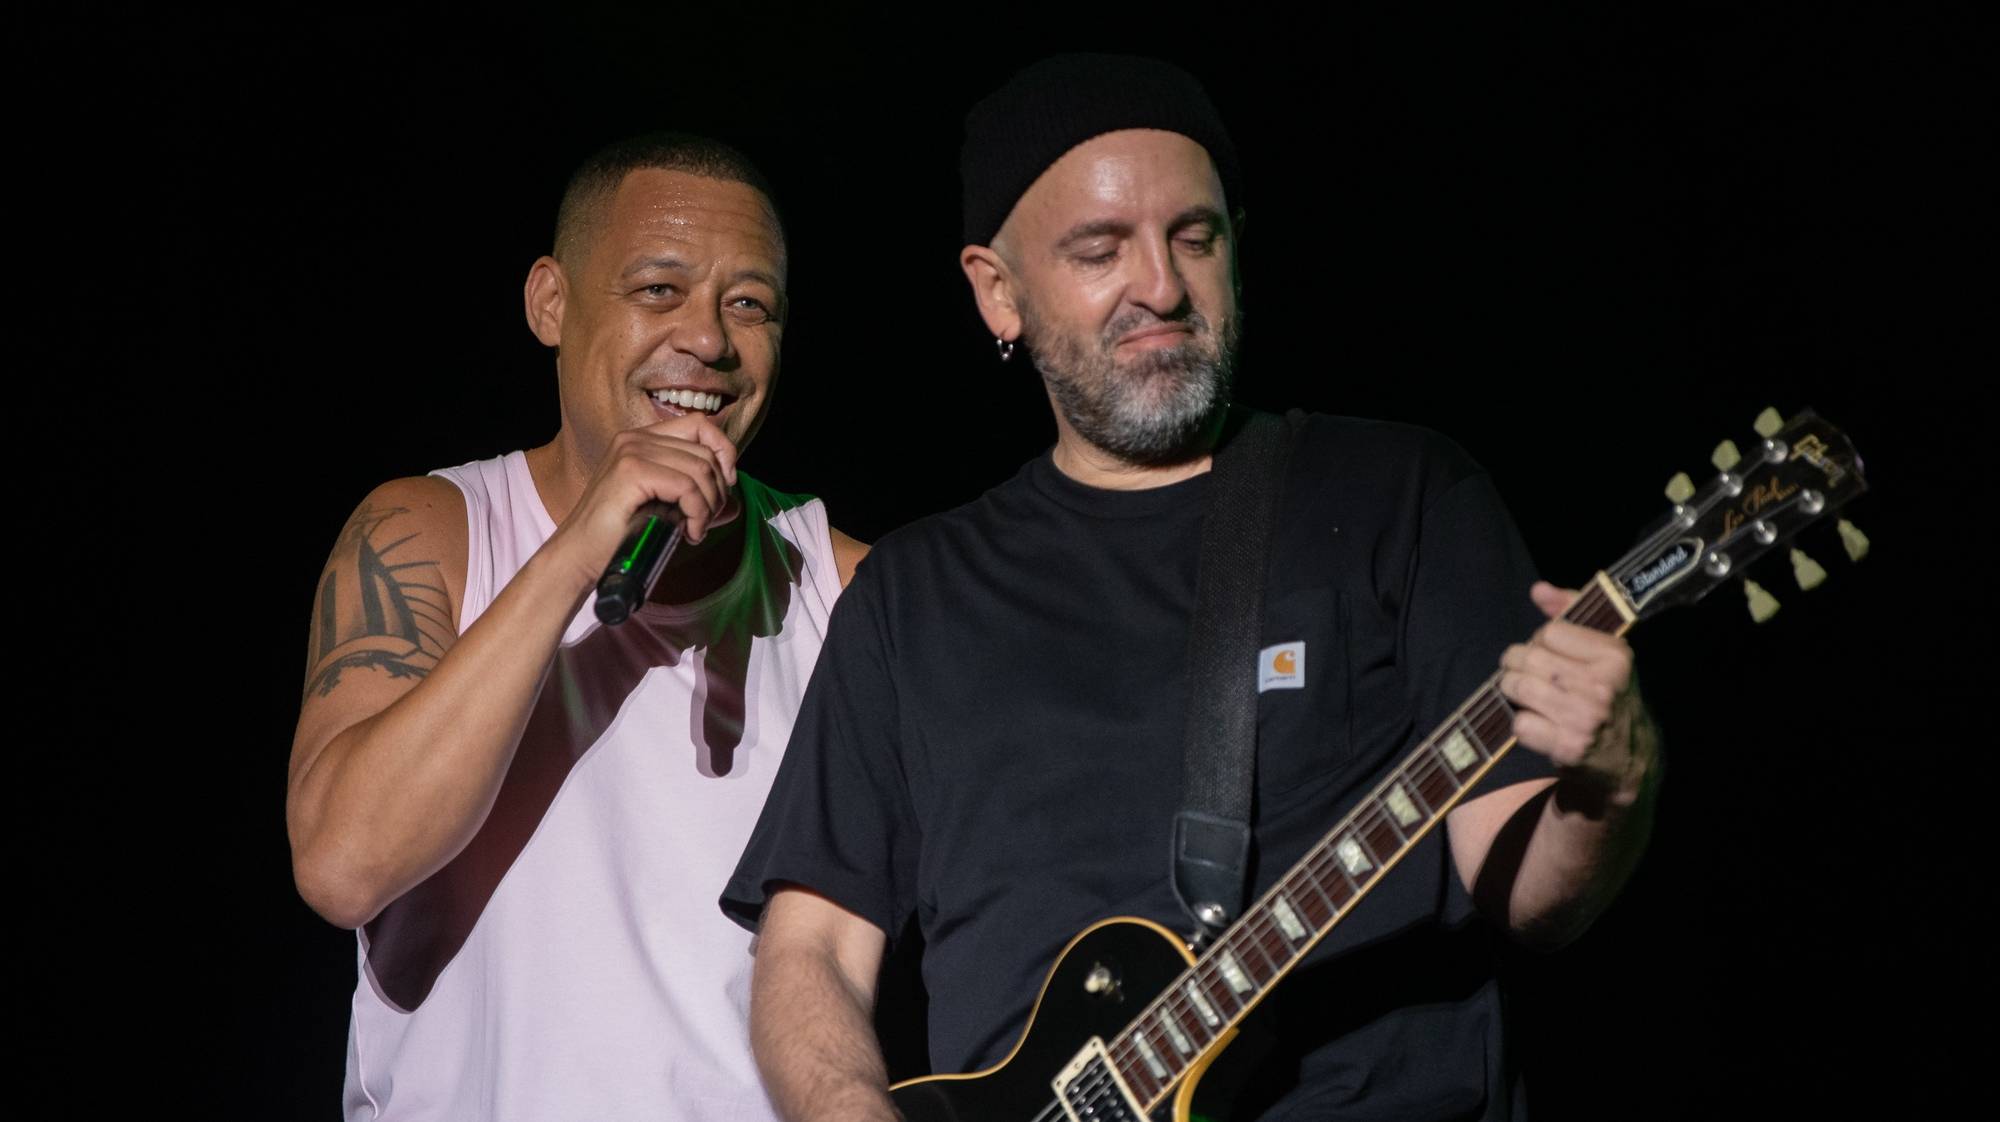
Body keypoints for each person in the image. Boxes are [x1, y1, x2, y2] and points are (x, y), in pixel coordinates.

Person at [724, 56, 1659, 1121]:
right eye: (1099, 249)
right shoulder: (910, 594)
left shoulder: (1399, 494)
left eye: (1194, 238)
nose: (1161, 288)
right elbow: (811, 957)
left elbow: (1525, 889)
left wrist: (1606, 791)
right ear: (997, 291)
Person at [287, 132, 866, 1121]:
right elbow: (343, 864)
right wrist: (577, 550)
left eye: (749, 304)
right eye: (659, 290)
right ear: (550, 302)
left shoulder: (839, 587)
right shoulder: (430, 530)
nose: (710, 341)